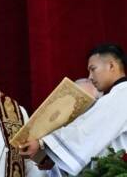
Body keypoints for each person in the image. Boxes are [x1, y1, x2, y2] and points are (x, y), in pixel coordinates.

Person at [19, 43, 127, 176]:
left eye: (93, 69)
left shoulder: (121, 96)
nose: (90, 77)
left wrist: (43, 144)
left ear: (111, 65)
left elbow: (86, 129)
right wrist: (51, 157)